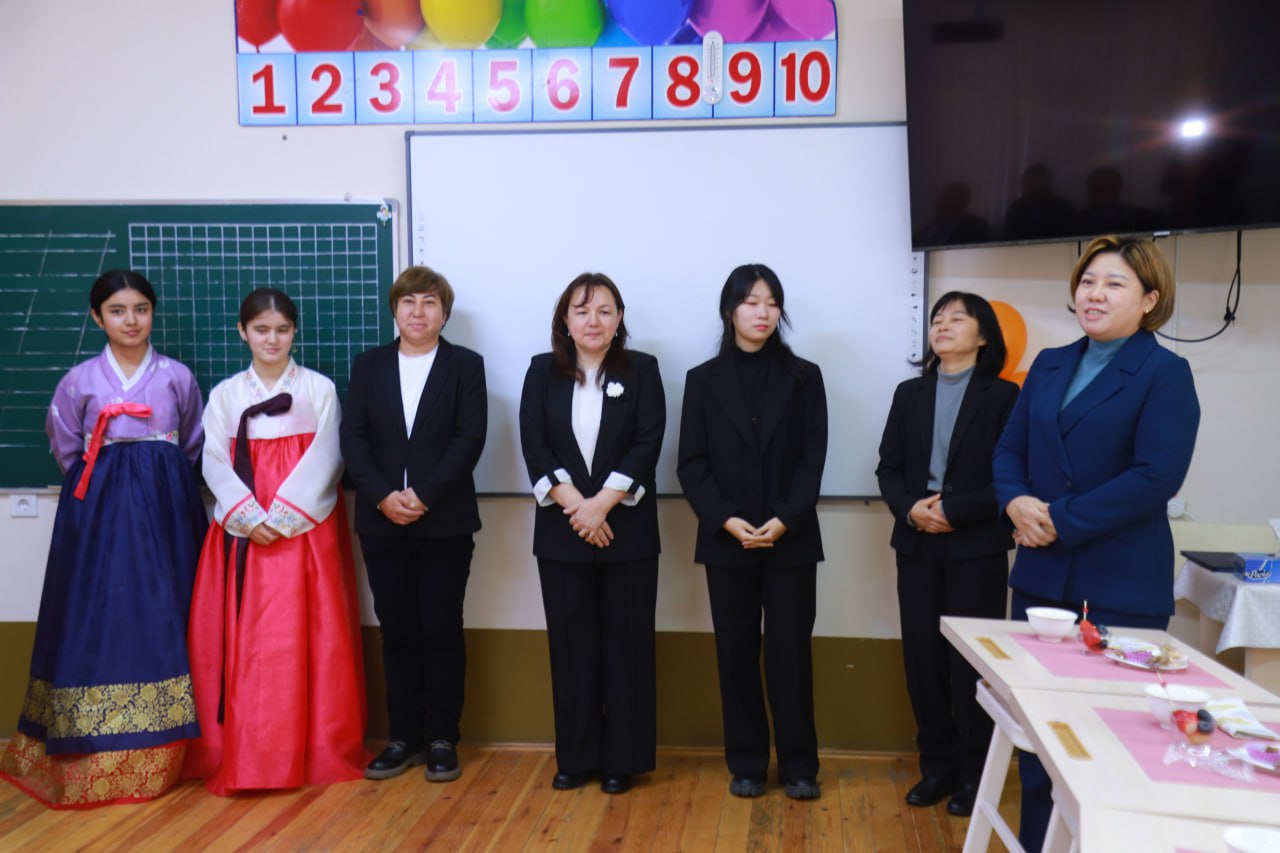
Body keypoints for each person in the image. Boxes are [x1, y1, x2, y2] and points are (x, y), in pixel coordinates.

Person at [993, 235, 1200, 850]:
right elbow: (1008, 449)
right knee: (1039, 740)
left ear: (1150, 300)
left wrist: (1057, 518)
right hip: (1040, 578)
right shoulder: (1051, 363)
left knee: (1113, 746)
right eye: (1088, 281)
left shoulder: (1165, 373)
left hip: (1120, 583)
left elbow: (1156, 476)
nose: (1095, 293)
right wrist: (1015, 501)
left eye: (1114, 283)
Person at [0, 270, 207, 808]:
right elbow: (66, 446)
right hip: (97, 514)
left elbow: (191, 443)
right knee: (96, 613)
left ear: (152, 313)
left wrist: (156, 476)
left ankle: (178, 747)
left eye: (141, 309)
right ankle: (89, 745)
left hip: (165, 509)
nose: (131, 320)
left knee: (170, 609)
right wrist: (113, 481)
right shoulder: (78, 381)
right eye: (117, 310)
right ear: (97, 317)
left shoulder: (178, 377)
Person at [184, 288, 367, 795]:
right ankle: (246, 751)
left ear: (294, 332)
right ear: (242, 332)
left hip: (304, 530)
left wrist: (284, 516)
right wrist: (246, 516)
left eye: (282, 329)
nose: (272, 339)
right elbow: (213, 461)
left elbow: (328, 457)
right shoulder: (225, 395)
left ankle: (314, 748)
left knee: (310, 636)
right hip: (244, 532)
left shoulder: (318, 389)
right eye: (261, 330)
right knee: (248, 642)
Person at [677, 263, 827, 801]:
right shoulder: (702, 380)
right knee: (735, 654)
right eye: (751, 302)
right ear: (730, 310)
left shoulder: (805, 376)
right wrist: (725, 518)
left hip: (791, 539)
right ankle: (746, 762)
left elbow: (813, 459)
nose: (762, 312)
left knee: (790, 655)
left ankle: (799, 764)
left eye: (771, 302)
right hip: (727, 539)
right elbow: (691, 463)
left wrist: (784, 519)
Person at [518, 272, 665, 795]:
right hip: (563, 531)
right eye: (581, 311)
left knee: (626, 648)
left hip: (627, 529)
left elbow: (648, 441)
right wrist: (577, 507)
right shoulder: (541, 371)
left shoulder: (642, 370)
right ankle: (576, 758)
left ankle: (622, 759)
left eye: (604, 311)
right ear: (565, 320)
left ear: (619, 318)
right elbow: (534, 443)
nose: (593, 321)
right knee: (571, 648)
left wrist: (602, 505)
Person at [340, 266, 486, 784]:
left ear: (444, 313)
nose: (418, 312)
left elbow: (469, 439)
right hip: (382, 522)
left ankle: (443, 737)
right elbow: (353, 438)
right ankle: (403, 737)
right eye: (409, 302)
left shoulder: (465, 366)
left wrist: (423, 495)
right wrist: (383, 497)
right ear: (395, 309)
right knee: (397, 630)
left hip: (444, 520)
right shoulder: (369, 365)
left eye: (429, 302)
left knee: (441, 628)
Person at [876, 292, 1018, 817]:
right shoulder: (909, 393)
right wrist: (911, 509)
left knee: (972, 664)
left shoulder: (1003, 396)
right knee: (923, 660)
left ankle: (974, 773)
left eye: (958, 318)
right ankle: (935, 766)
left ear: (983, 337)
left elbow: (1012, 476)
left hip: (975, 545)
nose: (943, 325)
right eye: (937, 318)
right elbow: (888, 467)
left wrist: (954, 510)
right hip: (918, 541)